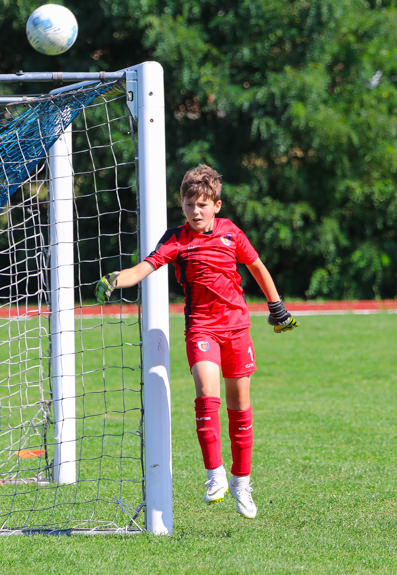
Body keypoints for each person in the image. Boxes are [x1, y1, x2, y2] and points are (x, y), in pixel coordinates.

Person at [95, 164, 298, 519]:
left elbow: (257, 267)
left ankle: (242, 481)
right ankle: (214, 474)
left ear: (216, 205)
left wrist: (276, 306)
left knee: (239, 408)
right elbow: (145, 267)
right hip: (202, 329)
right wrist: (117, 279)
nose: (196, 212)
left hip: (236, 329)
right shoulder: (176, 239)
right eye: (189, 205)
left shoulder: (231, 233)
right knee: (207, 395)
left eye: (203, 205)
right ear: (182, 205)